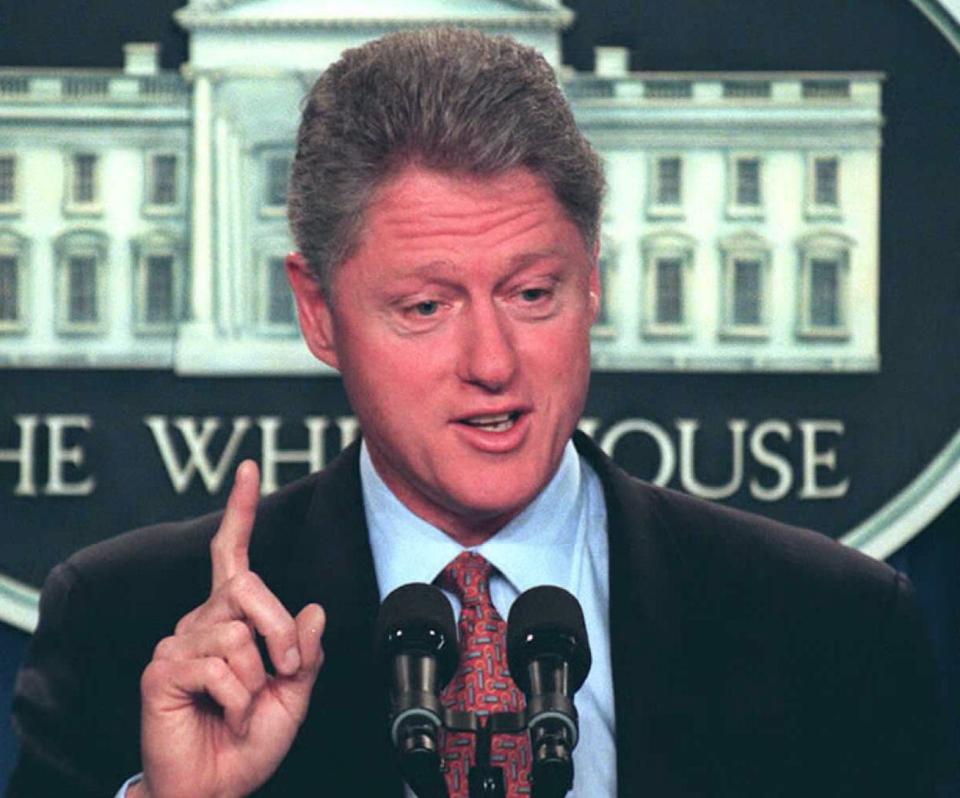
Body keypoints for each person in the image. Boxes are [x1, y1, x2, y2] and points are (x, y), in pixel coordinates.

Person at [7, 27, 941, 798]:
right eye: (426, 307)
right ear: (319, 313)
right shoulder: (129, 625)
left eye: (534, 294)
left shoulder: (832, 628)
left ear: (593, 286)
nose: (493, 364)